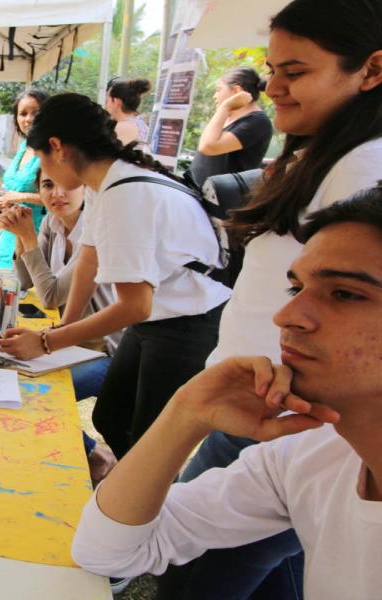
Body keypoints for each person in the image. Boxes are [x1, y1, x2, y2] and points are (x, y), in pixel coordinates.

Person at [158, 1, 382, 597]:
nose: (273, 87)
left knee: (191, 577)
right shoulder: (324, 155)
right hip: (268, 407)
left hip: (285, 418)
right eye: (271, 68)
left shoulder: (365, 164)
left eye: (297, 71)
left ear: (373, 69)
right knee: (273, 569)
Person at [72, 187, 382, 600]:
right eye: (296, 289)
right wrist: (185, 413)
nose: (285, 316)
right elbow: (105, 554)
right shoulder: (311, 455)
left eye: (345, 293)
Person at [0, 93, 231, 461]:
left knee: (146, 445)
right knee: (110, 417)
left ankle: (142, 509)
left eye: (41, 158)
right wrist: (58, 337)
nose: (47, 177)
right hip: (157, 319)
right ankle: (125, 489)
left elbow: (135, 305)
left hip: (186, 324)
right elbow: (88, 263)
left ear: (56, 147)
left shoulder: (126, 192)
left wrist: (45, 343)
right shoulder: (106, 184)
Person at [0, 169, 119, 482]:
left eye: (69, 185)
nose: (57, 194)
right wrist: (18, 238)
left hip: (106, 351)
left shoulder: (95, 232)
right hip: (67, 341)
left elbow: (50, 296)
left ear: (86, 189)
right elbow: (25, 280)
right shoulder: (52, 222)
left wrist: (27, 236)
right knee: (3, 378)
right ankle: (90, 454)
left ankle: (95, 455)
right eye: (48, 185)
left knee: (33, 393)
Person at [0, 89, 49, 269]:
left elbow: (63, 198)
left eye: (35, 113)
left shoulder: (52, 151)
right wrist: (6, 201)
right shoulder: (24, 146)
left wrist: (19, 197)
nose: (28, 119)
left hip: (36, 235)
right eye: (23, 113)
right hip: (9, 233)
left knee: (26, 290)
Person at [190, 68, 273, 187]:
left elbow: (208, 146)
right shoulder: (228, 117)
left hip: (222, 201)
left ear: (236, 90)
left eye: (219, 90)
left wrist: (224, 107)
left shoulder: (257, 122)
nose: (215, 96)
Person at [104, 78, 152, 148]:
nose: (106, 105)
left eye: (107, 100)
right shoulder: (137, 122)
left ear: (116, 102)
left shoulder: (123, 127)